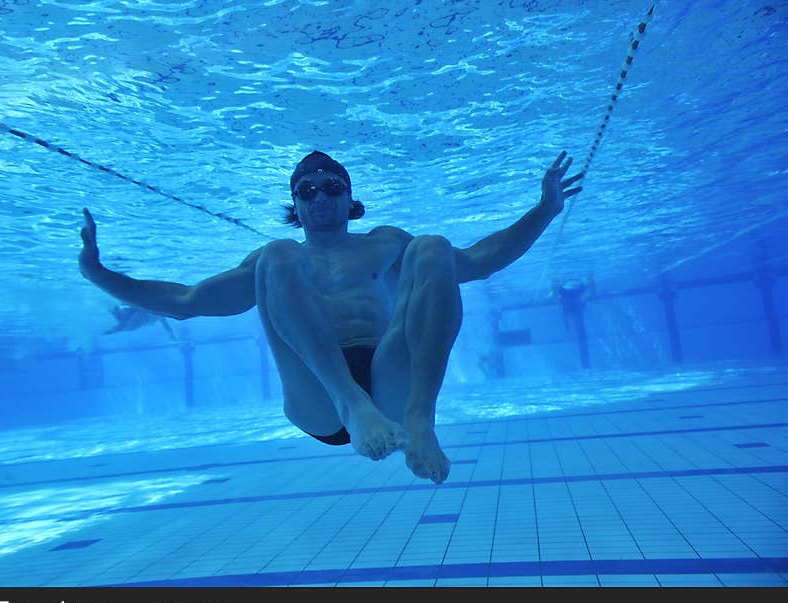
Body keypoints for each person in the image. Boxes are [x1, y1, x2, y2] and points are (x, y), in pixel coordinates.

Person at [78, 150, 582, 483]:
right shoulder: (276, 262)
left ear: (350, 196)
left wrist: (545, 210)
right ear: (296, 204)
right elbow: (186, 302)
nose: (321, 196)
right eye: (308, 190)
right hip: (319, 399)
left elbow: (478, 261)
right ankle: (353, 406)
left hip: (391, 382)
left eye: (332, 185)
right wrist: (99, 273)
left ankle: (420, 420)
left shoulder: (386, 244)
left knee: (435, 248)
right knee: (275, 255)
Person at [104, 304, 177, 339]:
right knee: (121, 321)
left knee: (121, 322)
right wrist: (171, 334)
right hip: (139, 314)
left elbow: (166, 326)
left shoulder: (160, 314)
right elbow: (166, 326)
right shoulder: (160, 313)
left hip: (140, 316)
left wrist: (171, 334)